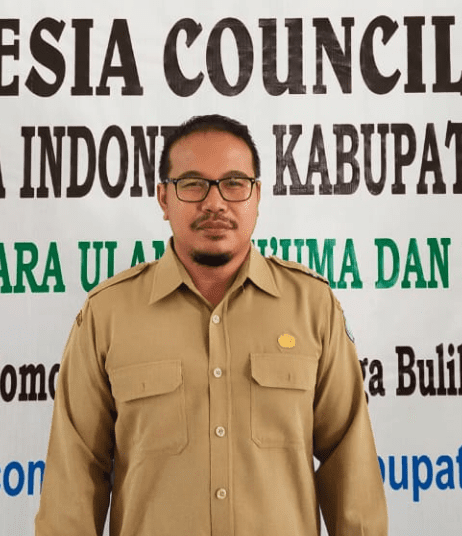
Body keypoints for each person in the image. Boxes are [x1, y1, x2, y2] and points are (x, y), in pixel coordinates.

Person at [35, 114, 388, 535]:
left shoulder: (312, 307)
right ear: (163, 198)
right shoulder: (107, 315)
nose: (215, 203)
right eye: (192, 184)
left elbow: (352, 474)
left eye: (234, 183)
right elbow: (72, 488)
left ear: (257, 196)